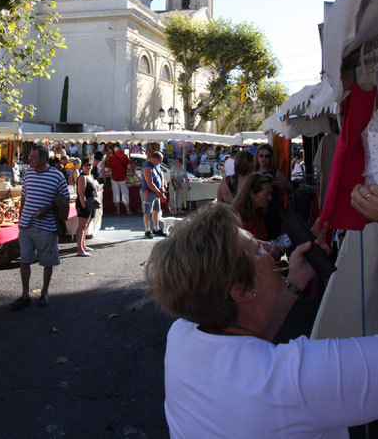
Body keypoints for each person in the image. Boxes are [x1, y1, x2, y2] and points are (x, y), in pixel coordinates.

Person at [145, 203, 378, 439]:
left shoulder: (181, 335)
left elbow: (249, 340)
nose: (268, 246)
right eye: (257, 249)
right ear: (241, 291)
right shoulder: (294, 380)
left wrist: (296, 280)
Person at [11, 144, 70, 309]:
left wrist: (48, 208)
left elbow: (64, 199)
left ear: (43, 159)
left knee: (47, 261)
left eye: (33, 157)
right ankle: (25, 295)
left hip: (46, 226)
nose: (30, 160)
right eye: (30, 157)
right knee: (25, 260)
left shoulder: (56, 176)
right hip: (26, 226)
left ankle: (44, 292)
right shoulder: (28, 173)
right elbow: (24, 196)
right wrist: (21, 217)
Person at [254, 143, 292, 239]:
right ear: (257, 156)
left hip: (272, 212)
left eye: (267, 156)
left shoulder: (276, 173)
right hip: (256, 212)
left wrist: (277, 184)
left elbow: (289, 189)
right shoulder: (253, 173)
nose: (264, 159)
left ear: (271, 158)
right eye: (261, 156)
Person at [230, 172, 274, 240]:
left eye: (270, 193)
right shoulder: (237, 217)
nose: (270, 198)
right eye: (266, 194)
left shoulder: (258, 212)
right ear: (252, 194)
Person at [75, 157, 99, 257]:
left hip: (91, 203)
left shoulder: (90, 176)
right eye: (86, 165)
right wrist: (84, 205)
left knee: (86, 225)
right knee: (81, 226)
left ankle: (83, 245)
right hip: (85, 203)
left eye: (90, 165)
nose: (88, 167)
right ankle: (79, 249)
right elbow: (81, 193)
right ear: (82, 167)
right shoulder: (82, 177)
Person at [141, 150, 166, 238]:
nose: (161, 162)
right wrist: (159, 193)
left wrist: (162, 186)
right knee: (147, 211)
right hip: (149, 192)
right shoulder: (147, 167)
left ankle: (156, 228)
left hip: (156, 192)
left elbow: (161, 174)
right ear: (155, 159)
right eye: (160, 160)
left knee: (156, 210)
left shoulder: (156, 165)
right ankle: (147, 230)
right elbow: (150, 184)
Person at [107, 143, 132, 215]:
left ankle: (118, 210)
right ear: (120, 149)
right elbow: (129, 167)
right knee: (125, 193)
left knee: (116, 194)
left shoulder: (111, 157)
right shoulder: (124, 156)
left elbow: (108, 169)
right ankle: (127, 209)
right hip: (123, 177)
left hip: (114, 178)